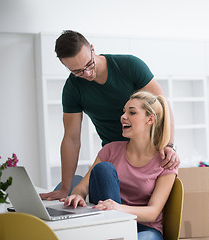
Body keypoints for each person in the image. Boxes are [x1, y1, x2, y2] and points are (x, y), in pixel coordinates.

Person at [40, 30, 179, 201]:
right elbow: (71, 138)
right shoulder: (73, 88)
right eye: (77, 71)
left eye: (89, 65)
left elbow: (162, 106)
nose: (87, 74)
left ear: (92, 48)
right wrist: (65, 188)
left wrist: (169, 145)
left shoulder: (129, 66)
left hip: (147, 154)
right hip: (114, 158)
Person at [61, 91, 177, 240]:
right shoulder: (110, 150)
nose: (123, 117)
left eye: (132, 112)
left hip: (145, 227)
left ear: (150, 119)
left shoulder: (166, 161)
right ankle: (114, 232)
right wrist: (77, 195)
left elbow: (153, 212)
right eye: (124, 112)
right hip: (109, 223)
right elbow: (82, 187)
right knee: (104, 168)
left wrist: (118, 208)